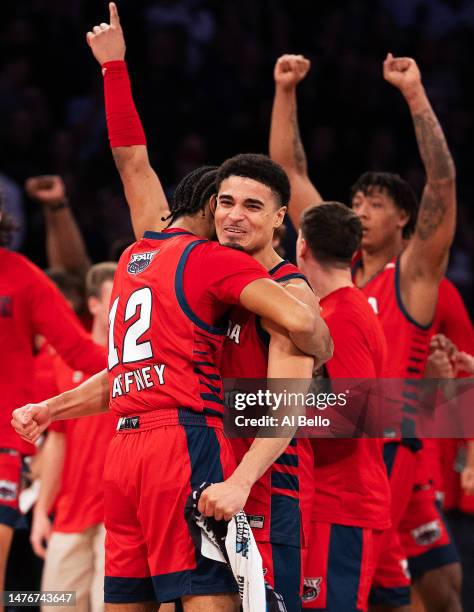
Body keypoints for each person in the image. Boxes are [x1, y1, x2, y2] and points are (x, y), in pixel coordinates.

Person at [12, 159, 331, 610]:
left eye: (252, 206)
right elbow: (138, 373)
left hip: (256, 482)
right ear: (210, 206)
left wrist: (240, 481)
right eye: (226, 202)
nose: (234, 215)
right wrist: (53, 408)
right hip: (191, 464)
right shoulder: (208, 269)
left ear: (280, 218)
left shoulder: (281, 287)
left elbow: (292, 401)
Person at [270, 52, 459, 611]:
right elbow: (292, 175)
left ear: (403, 217)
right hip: (355, 449)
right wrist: (286, 92)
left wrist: (415, 94)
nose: (362, 209)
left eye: (375, 203)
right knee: (384, 594)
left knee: (425, 592)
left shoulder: (416, 276)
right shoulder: (338, 276)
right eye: (356, 202)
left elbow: (443, 185)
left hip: (385, 446)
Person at [0, 196, 105, 611]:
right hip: (68, 511)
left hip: (4, 449)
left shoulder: (21, 276)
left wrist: (149, 371)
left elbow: (80, 350)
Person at [294, 202, 391, 612]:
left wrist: (269, 416)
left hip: (343, 501)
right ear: (353, 253)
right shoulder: (340, 309)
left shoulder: (345, 315)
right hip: (334, 499)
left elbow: (352, 416)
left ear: (301, 247)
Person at [31, 263, 115, 612]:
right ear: (93, 304)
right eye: (113, 299)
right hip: (71, 513)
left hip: (119, 516)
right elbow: (57, 441)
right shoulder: (63, 363)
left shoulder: (141, 363)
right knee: (55, 603)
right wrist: (41, 511)